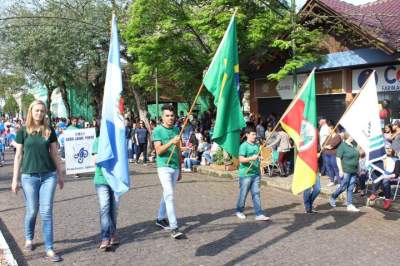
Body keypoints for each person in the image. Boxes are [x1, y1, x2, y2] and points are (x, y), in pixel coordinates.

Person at [11, 100, 64, 262]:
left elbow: (54, 154)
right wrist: (15, 179)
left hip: (49, 176)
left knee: (46, 212)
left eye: (42, 111)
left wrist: (60, 174)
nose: (39, 113)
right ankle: (29, 238)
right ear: (31, 111)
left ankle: (49, 249)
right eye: (37, 110)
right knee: (32, 210)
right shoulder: (22, 131)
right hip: (29, 177)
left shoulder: (49, 130)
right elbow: (18, 155)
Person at [152, 105, 185, 239]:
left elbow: (178, 150)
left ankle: (160, 218)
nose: (170, 118)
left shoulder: (177, 129)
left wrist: (181, 169)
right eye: (167, 116)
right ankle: (174, 226)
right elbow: (159, 151)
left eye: (172, 116)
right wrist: (171, 141)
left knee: (167, 193)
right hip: (163, 166)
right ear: (162, 117)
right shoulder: (157, 130)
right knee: (170, 195)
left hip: (175, 166)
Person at [92, 124, 120, 250]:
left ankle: (113, 233)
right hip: (101, 180)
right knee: (104, 207)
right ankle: (105, 237)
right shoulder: (97, 141)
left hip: (115, 181)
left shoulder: (117, 142)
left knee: (114, 208)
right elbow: (95, 160)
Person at [235, 126, 270, 221]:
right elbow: (241, 159)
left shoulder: (256, 146)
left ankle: (259, 213)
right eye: (253, 134)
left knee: (256, 194)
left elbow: (257, 157)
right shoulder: (244, 146)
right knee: (243, 194)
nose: (255, 136)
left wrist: (260, 164)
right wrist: (251, 158)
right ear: (247, 135)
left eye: (255, 134)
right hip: (246, 174)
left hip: (256, 174)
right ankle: (239, 210)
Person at [329, 133, 360, 212]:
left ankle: (349, 204)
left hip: (354, 170)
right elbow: (338, 158)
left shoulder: (354, 145)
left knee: (351, 188)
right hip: (346, 170)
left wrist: (358, 169)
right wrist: (340, 170)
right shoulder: (342, 146)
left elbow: (357, 157)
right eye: (351, 136)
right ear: (348, 137)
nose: (353, 137)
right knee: (343, 186)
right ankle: (333, 196)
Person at [368, 146, 400, 210]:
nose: (388, 150)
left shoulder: (396, 160)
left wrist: (387, 176)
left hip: (392, 176)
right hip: (383, 175)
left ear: (393, 150)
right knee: (376, 174)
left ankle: (387, 199)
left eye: (390, 148)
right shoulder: (381, 159)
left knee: (385, 180)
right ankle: (374, 193)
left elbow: (396, 174)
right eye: (386, 148)